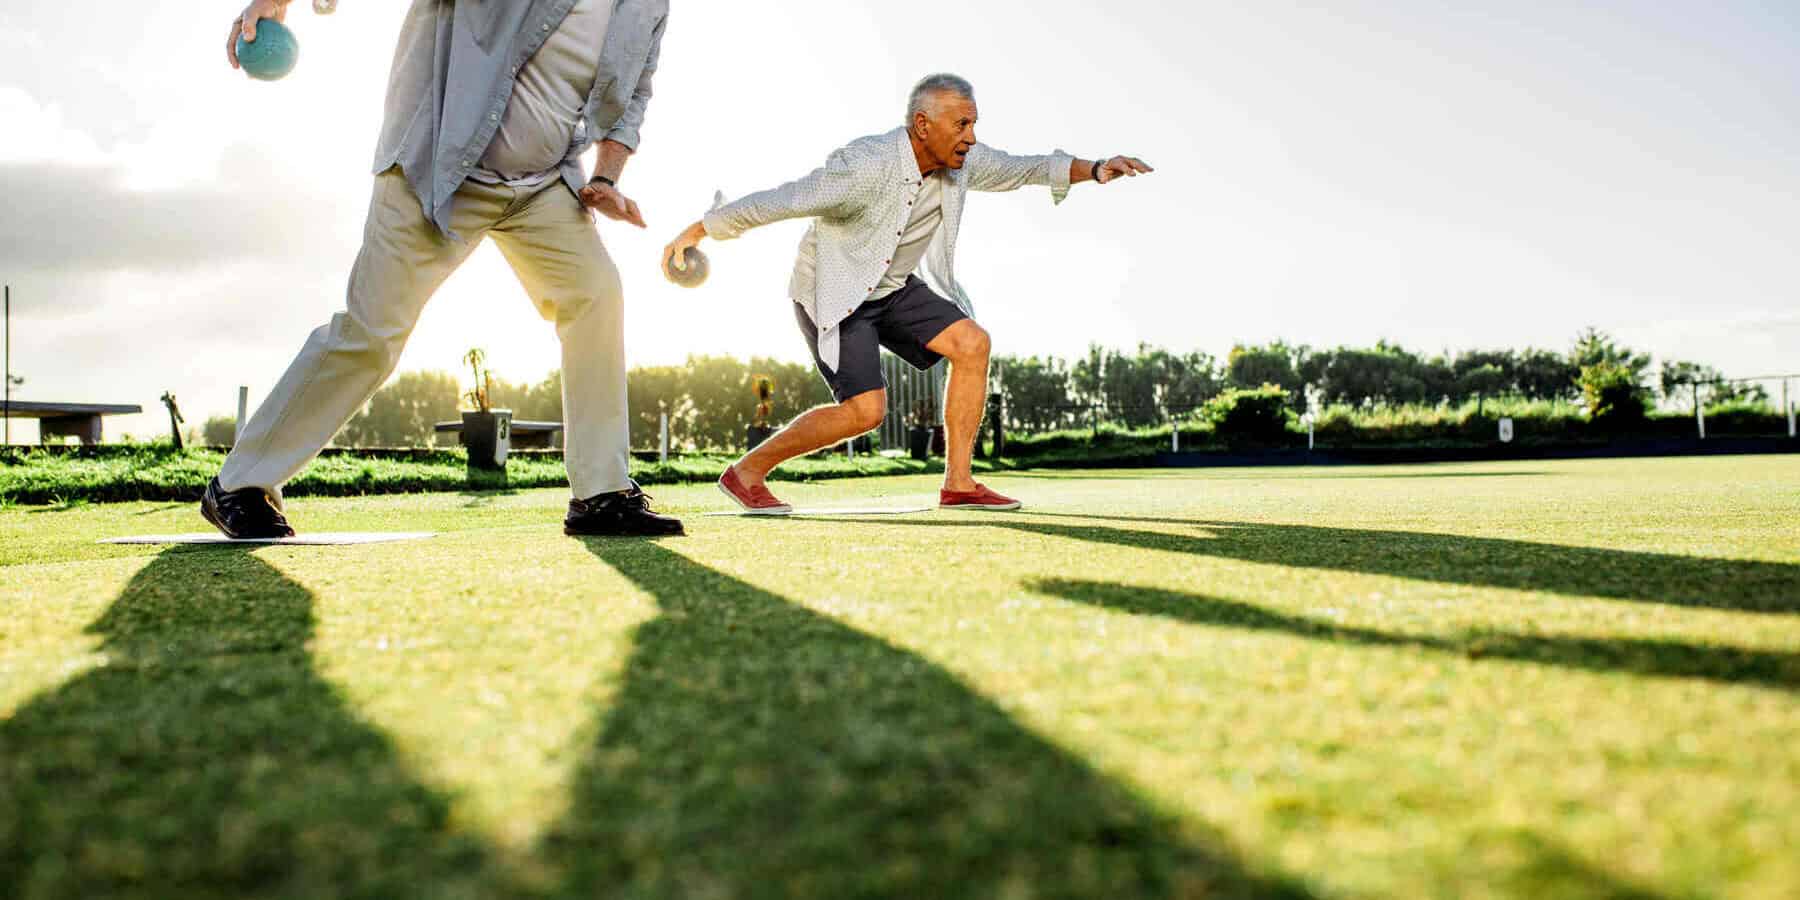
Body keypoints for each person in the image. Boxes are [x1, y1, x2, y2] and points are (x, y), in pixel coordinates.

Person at [202, 0, 683, 539]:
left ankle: (601, 494)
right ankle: (239, 484)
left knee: (596, 294)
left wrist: (608, 178)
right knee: (373, 334)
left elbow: (633, 92)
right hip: (438, 164)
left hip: (543, 182)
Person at [662, 73, 1153, 514]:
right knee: (865, 412)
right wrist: (698, 231)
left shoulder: (963, 163)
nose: (972, 137)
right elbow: (784, 200)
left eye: (974, 124)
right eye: (961, 124)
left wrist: (1095, 168)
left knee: (972, 343)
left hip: (893, 287)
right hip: (834, 288)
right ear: (923, 125)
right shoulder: (864, 166)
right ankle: (746, 472)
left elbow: (1023, 168)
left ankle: (958, 483)